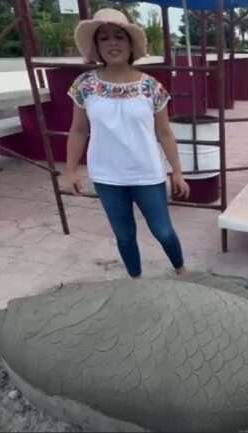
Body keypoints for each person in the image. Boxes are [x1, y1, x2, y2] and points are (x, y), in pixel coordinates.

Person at [62, 8, 190, 278]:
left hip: (147, 174)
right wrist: (70, 170)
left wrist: (177, 171)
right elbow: (78, 130)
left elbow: (164, 132)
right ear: (96, 47)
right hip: (107, 177)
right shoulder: (84, 86)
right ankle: (136, 281)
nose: (112, 43)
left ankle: (181, 271)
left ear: (130, 44)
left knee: (163, 231)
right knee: (124, 236)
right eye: (104, 38)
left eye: (119, 36)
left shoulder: (151, 87)